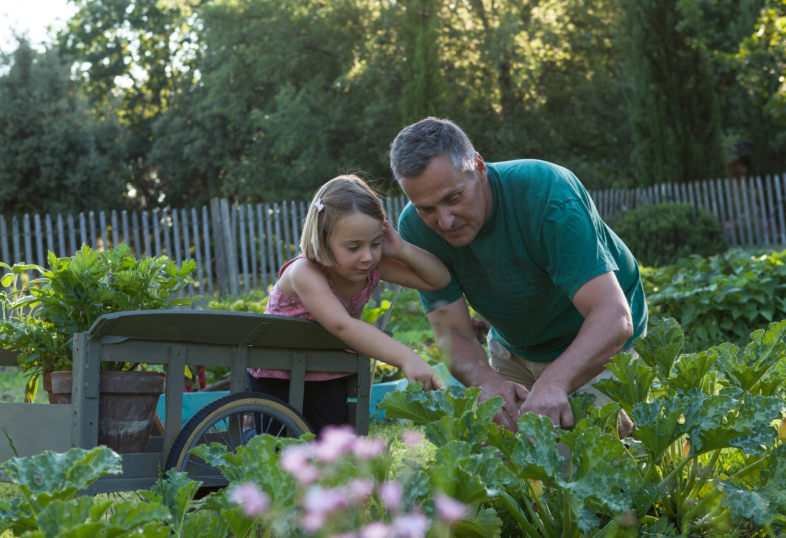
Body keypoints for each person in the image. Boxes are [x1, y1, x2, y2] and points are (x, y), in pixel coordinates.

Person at [390, 117, 647, 435]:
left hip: (594, 340)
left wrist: (553, 383)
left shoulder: (548, 194)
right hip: (514, 345)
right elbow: (452, 333)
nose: (444, 221)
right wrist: (487, 382)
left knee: (577, 469)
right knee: (506, 467)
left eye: (453, 198)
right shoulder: (414, 228)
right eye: (426, 208)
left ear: (479, 168)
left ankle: (633, 435)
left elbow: (613, 316)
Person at [251, 174, 449, 435]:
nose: (367, 257)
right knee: (276, 450)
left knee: (332, 449)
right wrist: (406, 357)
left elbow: (439, 279)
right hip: (278, 375)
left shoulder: (369, 266)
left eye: (375, 243)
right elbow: (343, 326)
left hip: (328, 371)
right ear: (322, 239)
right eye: (353, 247)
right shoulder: (305, 272)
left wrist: (400, 249)